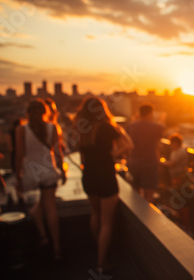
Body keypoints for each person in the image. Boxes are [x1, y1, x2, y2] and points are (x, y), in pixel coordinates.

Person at [74, 97, 133, 272]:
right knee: (107, 222)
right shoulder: (107, 128)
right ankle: (101, 262)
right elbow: (129, 145)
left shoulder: (82, 129)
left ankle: (98, 249)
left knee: (95, 214)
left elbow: (83, 159)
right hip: (105, 175)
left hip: (89, 176)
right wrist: (112, 154)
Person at [15, 99, 66, 260]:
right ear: (46, 112)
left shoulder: (21, 130)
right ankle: (57, 248)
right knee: (50, 207)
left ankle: (43, 237)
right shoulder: (53, 128)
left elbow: (19, 155)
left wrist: (18, 177)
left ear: (28, 113)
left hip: (31, 173)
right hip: (48, 171)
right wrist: (62, 171)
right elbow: (57, 153)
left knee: (38, 205)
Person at [126, 103, 165, 201]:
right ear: (150, 113)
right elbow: (162, 136)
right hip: (150, 163)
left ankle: (136, 214)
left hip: (134, 163)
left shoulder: (130, 126)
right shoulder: (157, 127)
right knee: (149, 195)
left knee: (135, 193)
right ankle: (147, 215)